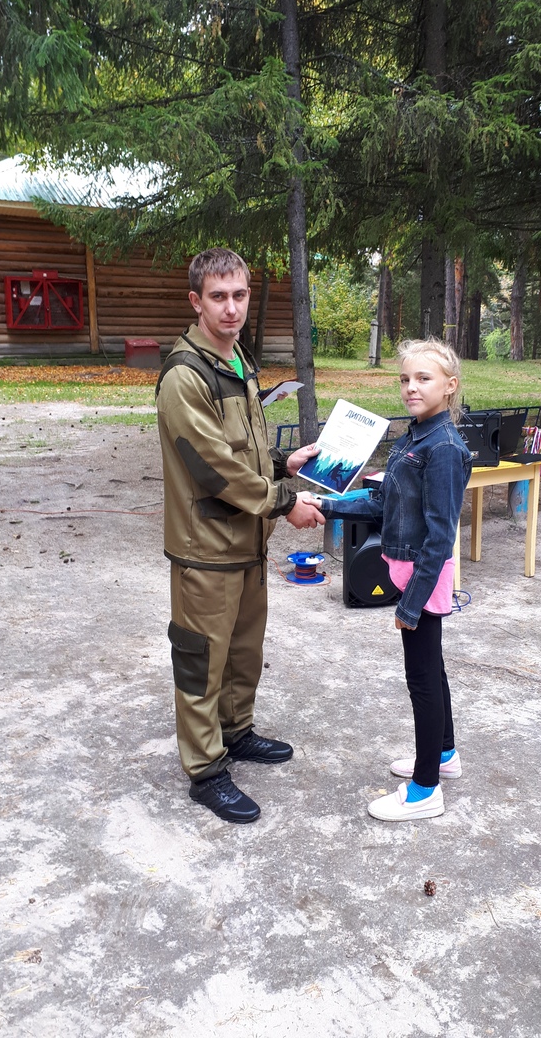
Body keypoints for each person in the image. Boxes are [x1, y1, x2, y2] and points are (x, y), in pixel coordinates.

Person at [155, 247, 324, 824]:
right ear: (196, 301)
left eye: (240, 295)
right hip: (205, 550)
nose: (232, 308)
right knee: (202, 661)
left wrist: (281, 464)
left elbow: (242, 450)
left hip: (247, 545)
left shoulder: (238, 361)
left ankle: (236, 731)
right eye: (219, 297)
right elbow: (213, 469)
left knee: (244, 651)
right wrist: (285, 503)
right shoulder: (186, 375)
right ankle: (205, 770)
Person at [307, 337, 472, 821]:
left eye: (423, 378)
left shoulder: (444, 448)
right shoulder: (414, 435)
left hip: (424, 577)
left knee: (421, 679)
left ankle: (425, 789)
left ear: (450, 385)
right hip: (409, 571)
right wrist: (327, 505)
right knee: (431, 669)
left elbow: (441, 537)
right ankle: (444, 754)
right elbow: (381, 502)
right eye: (405, 379)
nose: (411, 387)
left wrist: (410, 605)